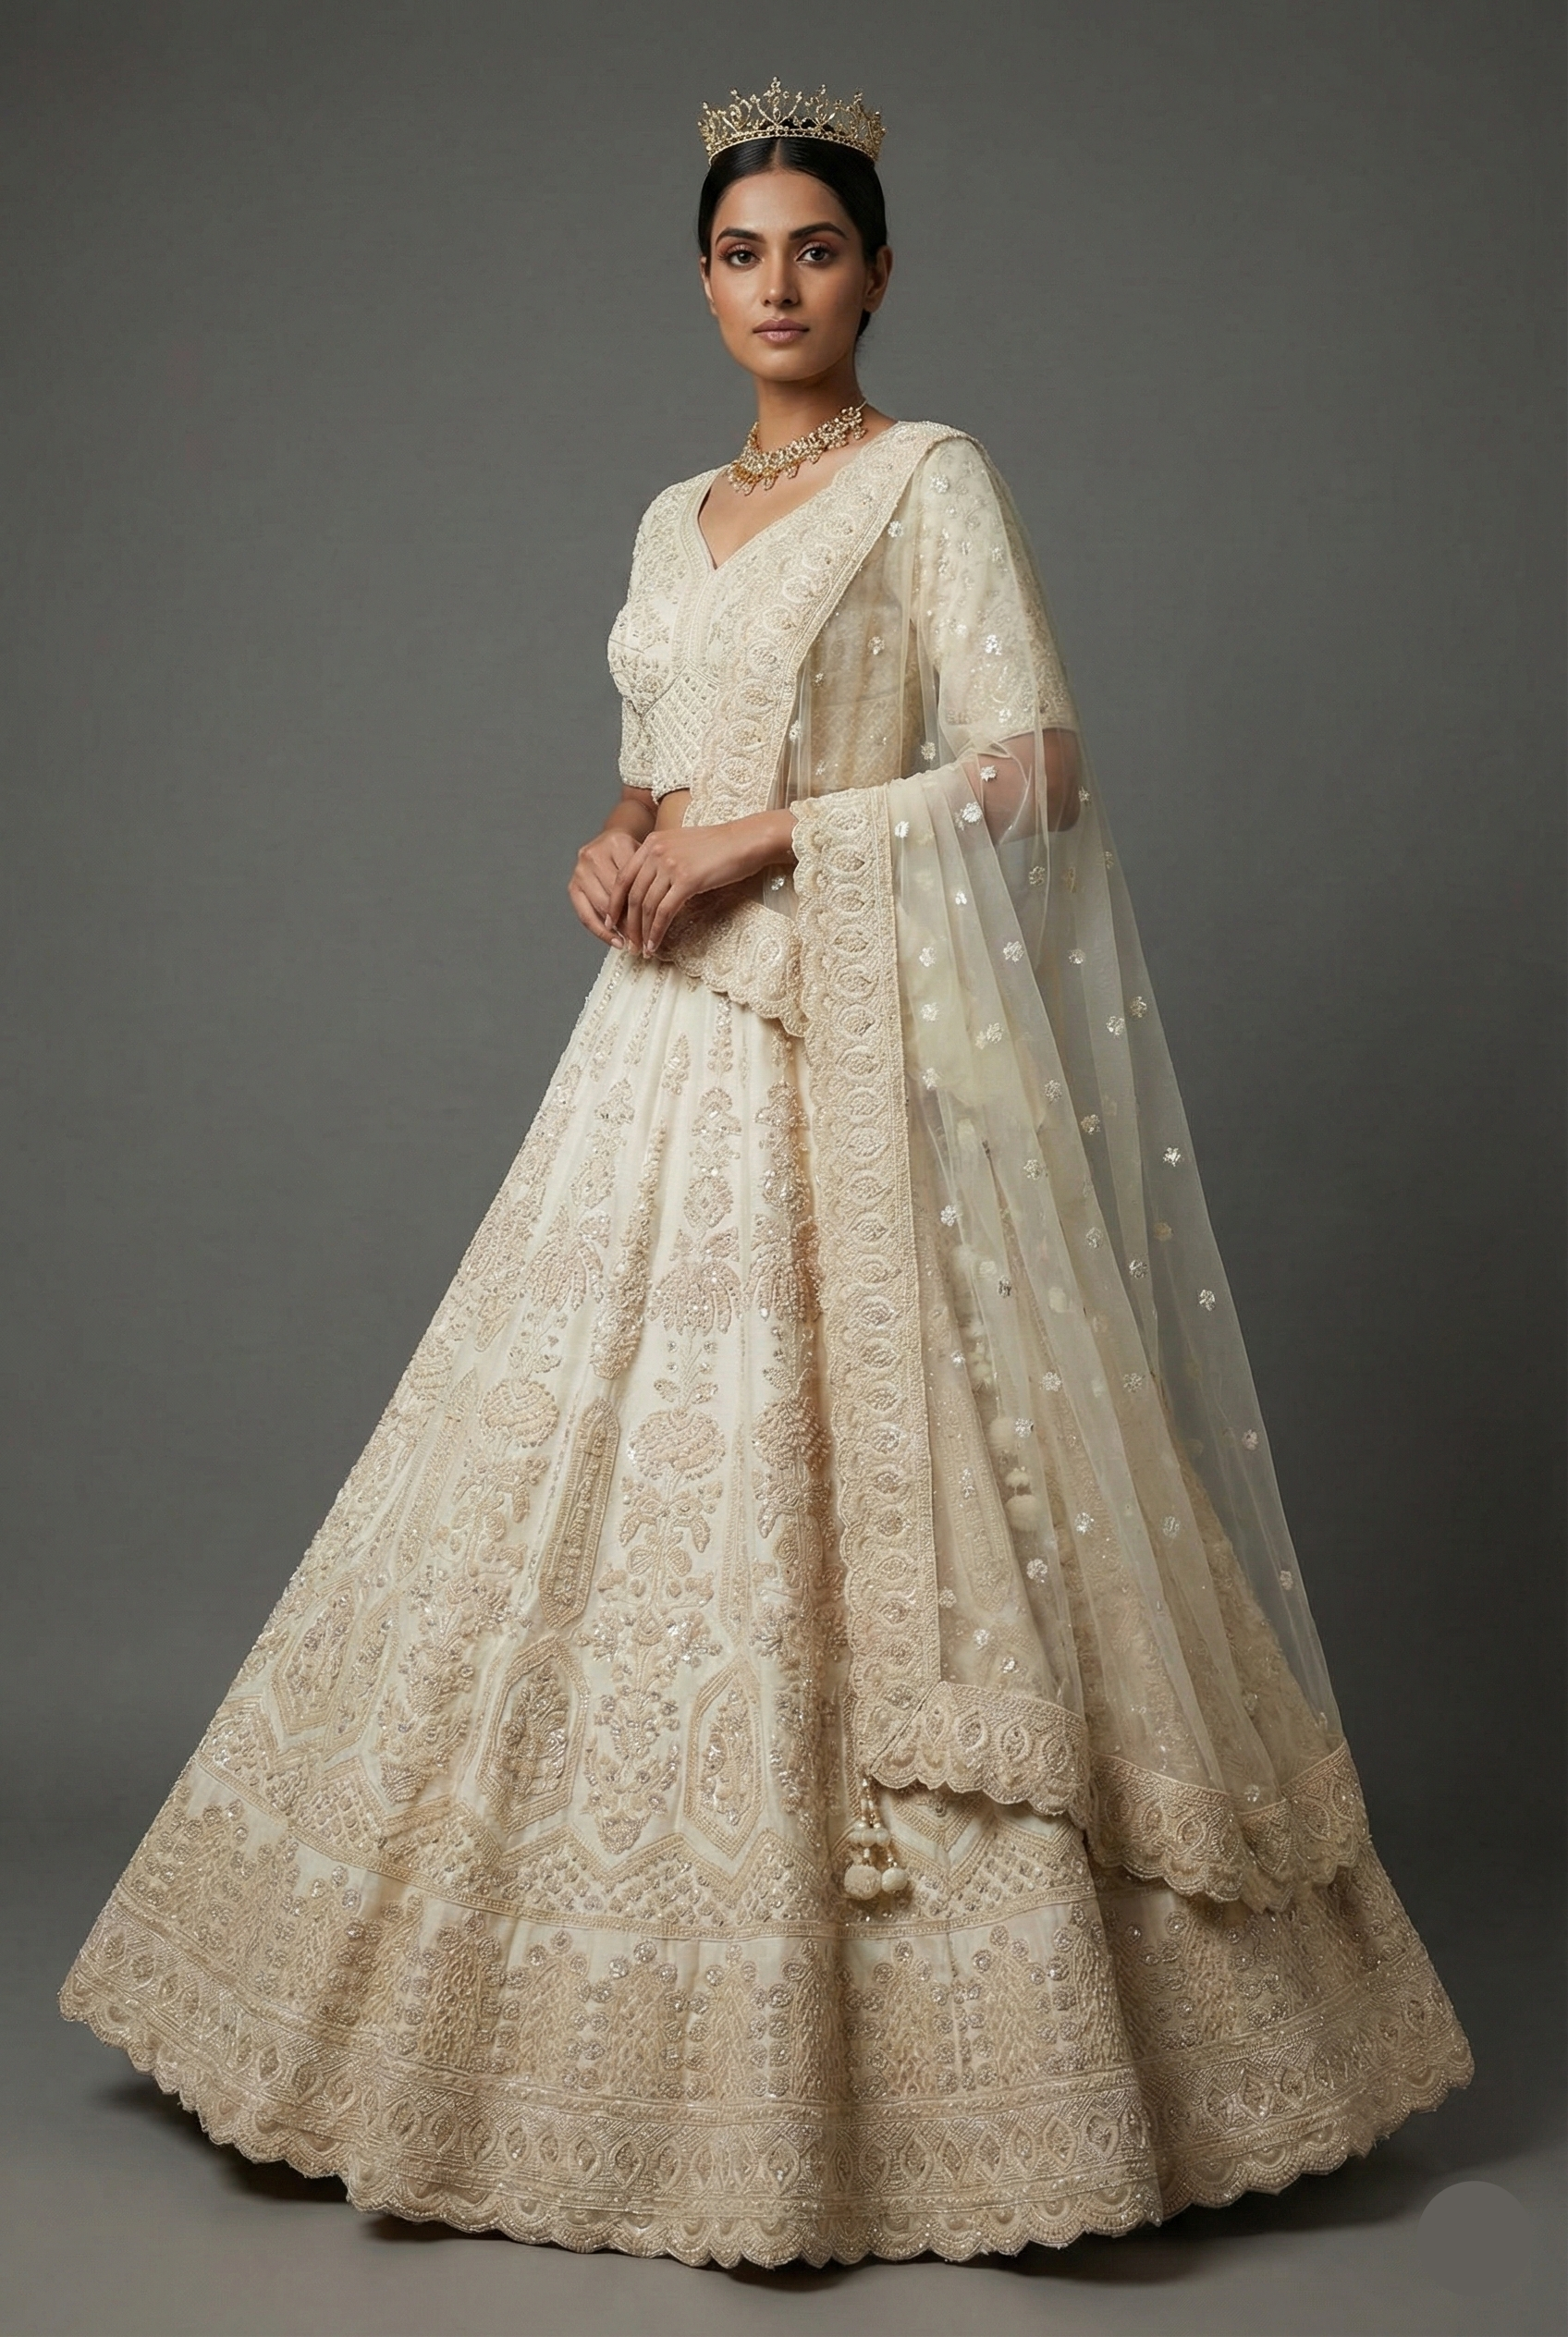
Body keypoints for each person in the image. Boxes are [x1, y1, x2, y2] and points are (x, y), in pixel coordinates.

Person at [60, 81, 1471, 2269]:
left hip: (858, 1065)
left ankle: (995, 2076)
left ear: (878, 272)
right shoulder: (666, 517)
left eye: (817, 247)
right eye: (741, 253)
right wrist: (622, 837)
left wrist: (765, 839)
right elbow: (655, 768)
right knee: (574, 1497)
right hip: (657, 1055)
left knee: (912, 1499)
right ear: (700, 280)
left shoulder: (929, 479)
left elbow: (1029, 773)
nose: (778, 285)